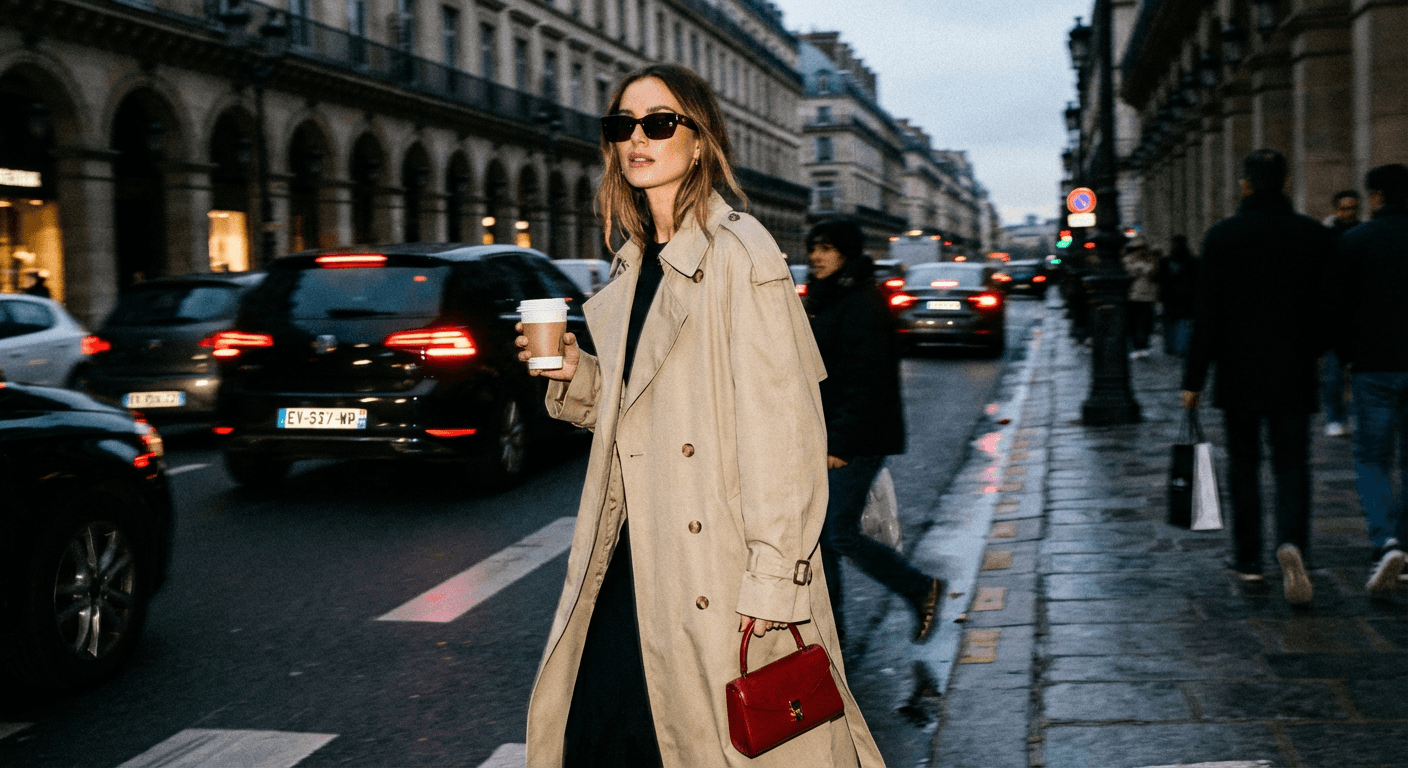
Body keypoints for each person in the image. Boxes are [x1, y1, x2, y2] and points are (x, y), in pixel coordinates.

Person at [517, 64, 883, 768]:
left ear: (700, 139)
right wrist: (575, 374)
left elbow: (788, 430)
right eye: (623, 125)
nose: (637, 139)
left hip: (711, 566)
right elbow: (641, 416)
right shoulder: (633, 262)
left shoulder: (741, 253)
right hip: (632, 551)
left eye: (660, 122)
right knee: (604, 732)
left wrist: (776, 580)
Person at [1180, 148, 1333, 605]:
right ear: (1284, 183)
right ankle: (1292, 544)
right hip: (1293, 370)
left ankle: (1247, 559)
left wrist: (1193, 379)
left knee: (1244, 465)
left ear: (1246, 184)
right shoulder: (1311, 235)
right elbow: (1330, 306)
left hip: (1239, 373)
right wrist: (1314, 349)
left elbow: (1206, 313)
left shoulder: (1223, 236)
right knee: (1292, 464)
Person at [802, 218, 942, 648]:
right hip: (829, 434)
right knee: (820, 539)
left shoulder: (861, 301)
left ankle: (919, 588)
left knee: (837, 533)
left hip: (853, 440)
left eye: (825, 248)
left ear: (846, 253)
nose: (815, 256)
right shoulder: (829, 297)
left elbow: (867, 379)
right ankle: (831, 632)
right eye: (813, 248)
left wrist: (841, 443)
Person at [1334, 164, 1408, 595]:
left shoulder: (1355, 241)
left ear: (1375, 196)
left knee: (1372, 457)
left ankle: (1386, 540)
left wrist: (1346, 357)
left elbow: (1338, 308)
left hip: (1374, 365)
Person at [1321, 190, 1362, 437]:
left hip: (1359, 313)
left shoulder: (1363, 233)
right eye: (1344, 208)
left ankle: (1355, 416)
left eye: (1353, 208)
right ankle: (1336, 417)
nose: (1348, 213)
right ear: (1336, 209)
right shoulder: (1327, 237)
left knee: (1358, 373)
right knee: (1333, 374)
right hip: (1335, 315)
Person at [1154, 235, 1197, 357]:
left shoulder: (1166, 261)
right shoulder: (1191, 260)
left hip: (1172, 296)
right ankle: (1180, 346)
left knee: (1172, 320)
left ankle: (1173, 346)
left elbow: (1160, 278)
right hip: (1185, 296)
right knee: (1182, 321)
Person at [1123, 237, 1158, 358]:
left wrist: (1141, 267)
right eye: (1137, 249)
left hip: (1147, 297)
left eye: (1141, 248)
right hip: (1133, 296)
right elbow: (1130, 271)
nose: (1139, 251)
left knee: (1146, 323)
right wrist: (1140, 267)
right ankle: (1136, 346)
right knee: (1133, 324)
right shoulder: (1128, 260)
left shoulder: (1150, 259)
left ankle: (1144, 345)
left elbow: (1152, 272)